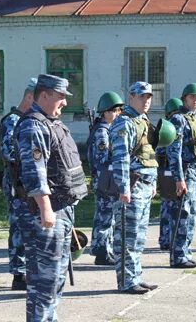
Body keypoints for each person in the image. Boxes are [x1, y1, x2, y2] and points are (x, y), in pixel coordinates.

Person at [14, 74, 88, 321]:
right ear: (43, 95)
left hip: (61, 209)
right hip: (46, 213)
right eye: (60, 97)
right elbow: (34, 171)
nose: (65, 102)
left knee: (55, 278)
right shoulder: (33, 125)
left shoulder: (51, 122)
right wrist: (45, 209)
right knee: (43, 283)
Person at [110, 81, 159, 294]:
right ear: (131, 97)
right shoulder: (124, 123)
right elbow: (120, 158)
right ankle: (126, 281)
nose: (146, 101)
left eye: (149, 97)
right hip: (132, 186)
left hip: (145, 185)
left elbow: (148, 154)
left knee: (139, 236)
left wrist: (153, 182)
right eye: (142, 97)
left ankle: (136, 276)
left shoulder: (143, 121)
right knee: (127, 236)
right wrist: (123, 188)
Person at [0, 77, 37, 290]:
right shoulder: (13, 121)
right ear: (29, 96)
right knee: (18, 227)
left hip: (30, 181)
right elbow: (9, 152)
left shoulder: (30, 119)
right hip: (17, 182)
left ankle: (29, 268)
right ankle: (19, 273)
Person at [165, 83, 196, 267]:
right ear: (184, 99)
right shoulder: (179, 119)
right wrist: (179, 178)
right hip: (186, 173)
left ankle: (186, 252)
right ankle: (178, 256)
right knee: (182, 214)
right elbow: (174, 151)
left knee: (192, 216)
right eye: (192, 97)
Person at [87, 91, 124, 265]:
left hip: (107, 179)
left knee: (107, 216)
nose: (117, 114)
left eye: (119, 111)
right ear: (104, 112)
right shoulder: (102, 132)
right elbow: (102, 159)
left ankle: (103, 249)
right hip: (104, 179)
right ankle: (101, 251)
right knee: (105, 216)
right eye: (113, 111)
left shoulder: (108, 129)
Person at [158, 98, 183, 251]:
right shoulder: (169, 128)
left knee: (167, 207)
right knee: (168, 207)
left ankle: (165, 238)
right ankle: (166, 239)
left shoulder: (167, 127)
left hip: (166, 171)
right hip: (168, 172)